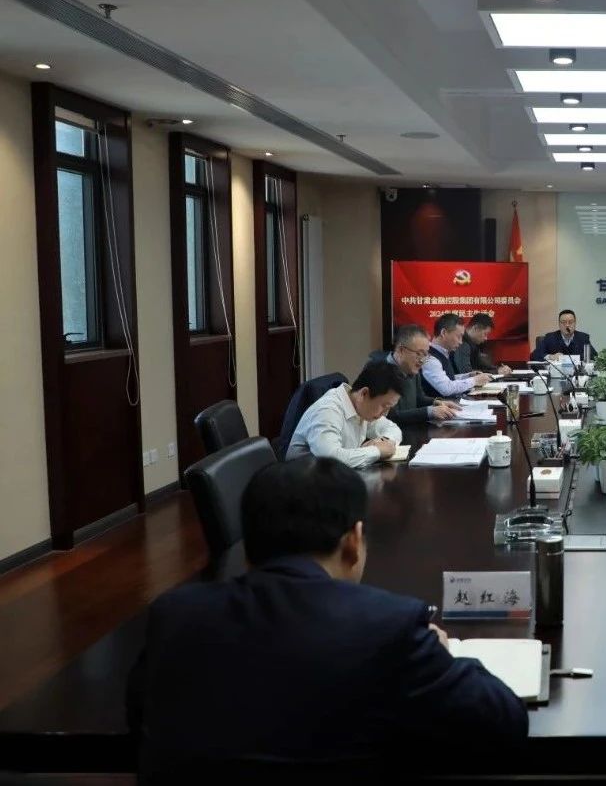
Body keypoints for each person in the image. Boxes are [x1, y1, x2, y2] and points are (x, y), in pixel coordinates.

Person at [128, 457, 526, 775]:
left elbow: (140, 718)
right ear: (354, 541)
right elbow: (503, 724)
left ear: (248, 549)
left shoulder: (174, 617)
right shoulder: (389, 627)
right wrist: (444, 655)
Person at [286, 361, 406, 469]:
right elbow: (332, 461)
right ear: (364, 393)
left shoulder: (361, 407)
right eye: (384, 406)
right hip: (304, 481)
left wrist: (385, 442)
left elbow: (392, 429)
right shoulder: (327, 411)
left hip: (336, 479)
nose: (385, 413)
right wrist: (377, 450)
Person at [368, 325, 459, 425]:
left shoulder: (411, 368)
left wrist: (438, 402)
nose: (422, 360)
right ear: (401, 350)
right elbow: (391, 416)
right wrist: (430, 412)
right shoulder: (379, 373)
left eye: (425, 355)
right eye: (419, 354)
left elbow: (419, 398)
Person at [422, 313, 492, 399]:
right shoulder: (430, 358)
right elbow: (446, 388)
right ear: (443, 333)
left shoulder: (444, 353)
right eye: (459, 336)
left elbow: (447, 378)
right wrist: (475, 380)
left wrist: (468, 376)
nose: (461, 342)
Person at [454, 313, 511, 377]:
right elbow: (467, 373)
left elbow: (483, 365)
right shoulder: (463, 344)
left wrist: (499, 369)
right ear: (475, 328)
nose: (486, 338)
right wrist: (496, 372)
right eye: (485, 334)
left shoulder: (473, 345)